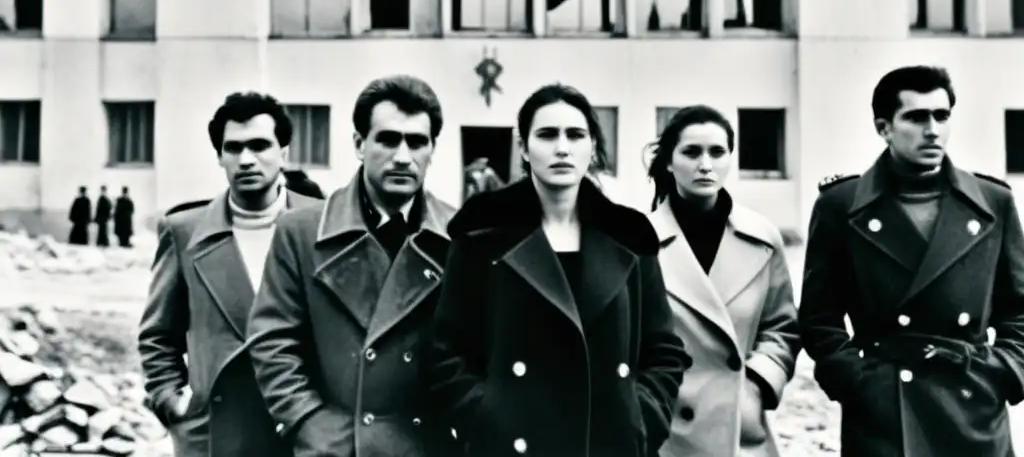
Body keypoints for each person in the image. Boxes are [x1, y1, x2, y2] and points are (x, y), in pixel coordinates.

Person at [425, 83, 690, 457]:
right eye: (547, 135)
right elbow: (446, 349)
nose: (562, 148)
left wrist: (641, 419)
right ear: (524, 148)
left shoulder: (629, 236)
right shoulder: (481, 233)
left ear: (592, 147)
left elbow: (663, 349)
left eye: (576, 135)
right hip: (509, 446)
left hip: (608, 444)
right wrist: (484, 417)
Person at [799, 65, 1024, 457]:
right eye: (917, 117)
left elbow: (1019, 310)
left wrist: (1003, 372)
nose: (933, 129)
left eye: (942, 116)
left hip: (973, 404)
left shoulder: (992, 202)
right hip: (885, 412)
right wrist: (856, 380)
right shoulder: (842, 205)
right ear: (884, 128)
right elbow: (819, 317)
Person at [248, 75, 457, 457]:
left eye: (417, 142)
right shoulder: (301, 232)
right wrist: (307, 420)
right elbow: (271, 340)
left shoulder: (458, 237)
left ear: (433, 149)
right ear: (360, 145)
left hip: (423, 445)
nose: (402, 157)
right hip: (335, 446)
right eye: (388, 139)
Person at [138, 92, 321, 457]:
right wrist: (173, 403)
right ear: (220, 156)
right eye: (233, 148)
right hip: (214, 435)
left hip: (305, 435)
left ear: (283, 152)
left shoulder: (323, 223)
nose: (247, 159)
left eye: (260, 145)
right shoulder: (185, 232)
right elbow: (158, 336)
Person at [646, 106, 799, 457]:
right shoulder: (637, 243)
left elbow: (782, 326)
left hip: (741, 431)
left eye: (717, 152)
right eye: (691, 152)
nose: (705, 164)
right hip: (666, 430)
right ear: (669, 162)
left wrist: (758, 384)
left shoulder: (761, 238)